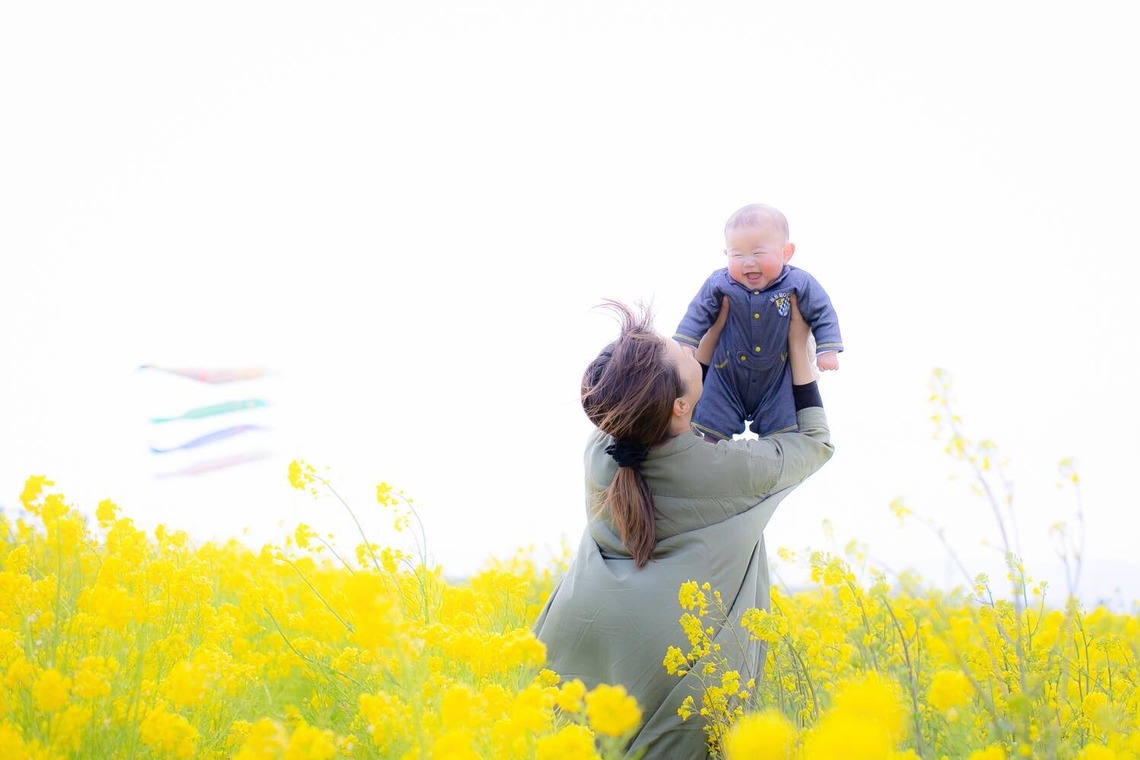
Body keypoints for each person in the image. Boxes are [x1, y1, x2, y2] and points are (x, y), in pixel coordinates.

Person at [533, 296, 834, 759]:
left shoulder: (603, 451)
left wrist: (712, 334)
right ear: (678, 405)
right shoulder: (730, 469)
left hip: (579, 638)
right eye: (682, 352)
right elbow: (814, 443)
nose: (688, 348)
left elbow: (658, 404)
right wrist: (798, 345)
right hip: (675, 662)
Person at [674, 203, 843, 440]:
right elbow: (698, 312)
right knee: (711, 421)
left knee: (782, 430)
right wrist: (684, 344)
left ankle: (772, 454)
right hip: (727, 375)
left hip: (775, 380)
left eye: (758, 253)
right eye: (737, 254)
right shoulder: (720, 283)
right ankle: (710, 452)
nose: (748, 262)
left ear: (786, 253)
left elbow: (823, 312)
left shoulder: (798, 282)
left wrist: (828, 349)